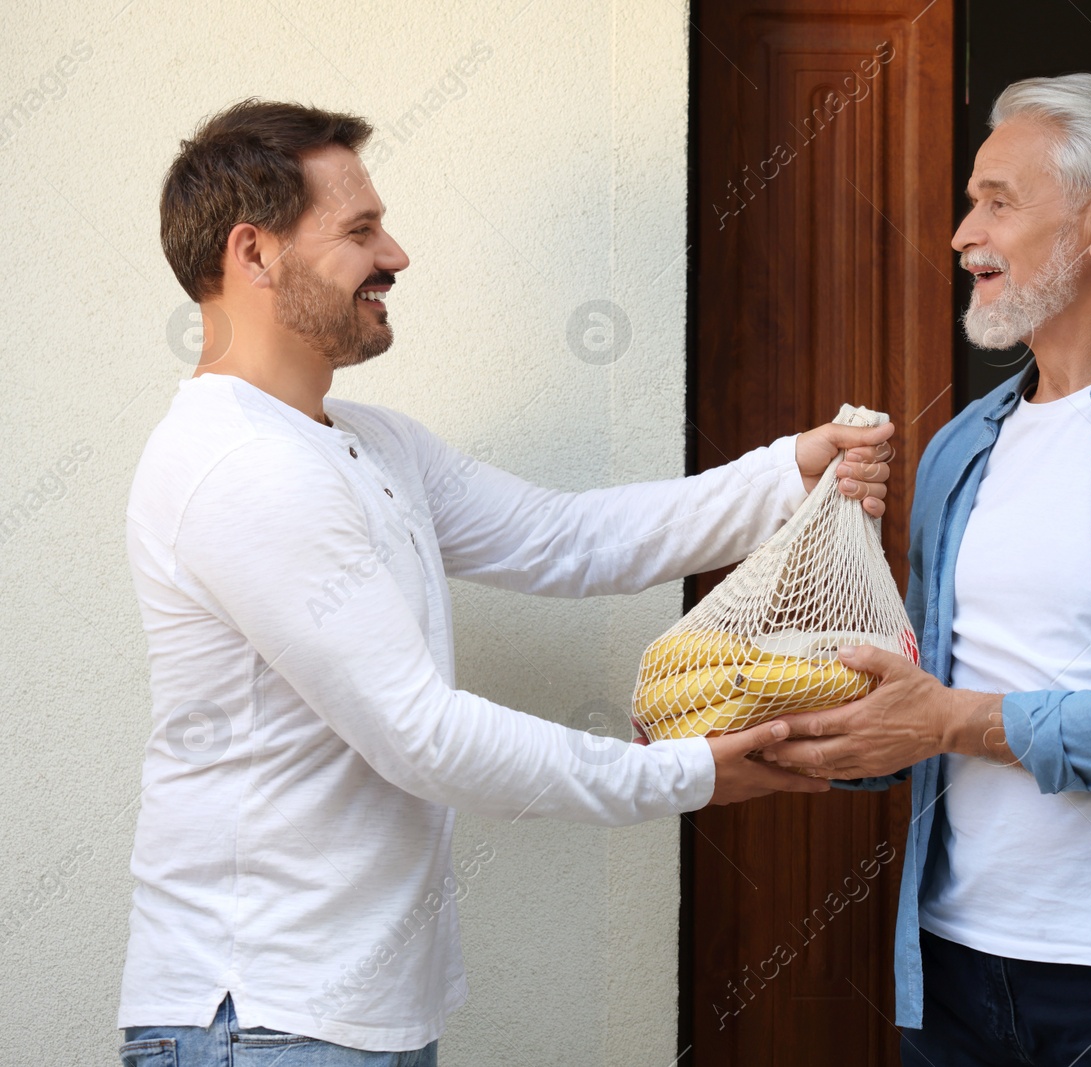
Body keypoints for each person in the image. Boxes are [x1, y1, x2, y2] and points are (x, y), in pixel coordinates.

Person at [116, 99, 896, 1067]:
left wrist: (788, 472)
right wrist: (688, 774)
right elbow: (424, 735)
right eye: (359, 230)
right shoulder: (238, 465)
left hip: (345, 1016)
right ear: (254, 252)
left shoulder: (367, 443)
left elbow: (565, 537)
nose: (394, 253)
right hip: (263, 1018)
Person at [762, 73, 1091, 1064]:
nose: (964, 232)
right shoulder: (962, 447)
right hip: (954, 972)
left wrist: (949, 719)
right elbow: (919, 701)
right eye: (971, 201)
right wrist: (781, 731)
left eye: (997, 201)